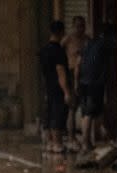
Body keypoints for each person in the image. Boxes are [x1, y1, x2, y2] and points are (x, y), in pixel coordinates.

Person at [78, 23, 114, 151]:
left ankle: (92, 140)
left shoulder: (90, 43)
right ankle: (85, 143)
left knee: (91, 112)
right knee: (89, 113)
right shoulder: (104, 43)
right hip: (94, 83)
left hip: (84, 82)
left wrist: (78, 80)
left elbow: (79, 61)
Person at [39, 20, 72, 153]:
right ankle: (58, 144)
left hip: (48, 86)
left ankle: (50, 143)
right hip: (58, 87)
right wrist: (67, 92)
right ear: (61, 32)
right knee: (58, 115)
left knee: (50, 113)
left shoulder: (43, 50)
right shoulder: (58, 51)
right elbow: (61, 72)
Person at [61, 16, 90, 150]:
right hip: (71, 74)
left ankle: (86, 138)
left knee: (85, 108)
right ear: (73, 26)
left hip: (85, 75)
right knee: (72, 107)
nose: (80, 29)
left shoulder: (87, 40)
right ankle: (71, 137)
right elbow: (59, 53)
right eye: (77, 26)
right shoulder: (68, 40)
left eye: (82, 26)